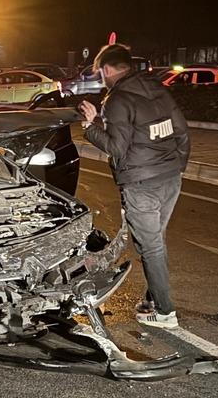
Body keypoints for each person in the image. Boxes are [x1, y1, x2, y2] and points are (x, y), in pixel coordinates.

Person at [78, 44, 190, 329]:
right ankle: (154, 301)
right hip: (170, 177)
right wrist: (177, 167)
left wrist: (90, 127)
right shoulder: (157, 90)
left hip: (142, 183)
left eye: (99, 73)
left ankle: (165, 313)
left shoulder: (117, 100)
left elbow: (116, 147)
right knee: (156, 242)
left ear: (106, 70)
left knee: (151, 247)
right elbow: (182, 134)